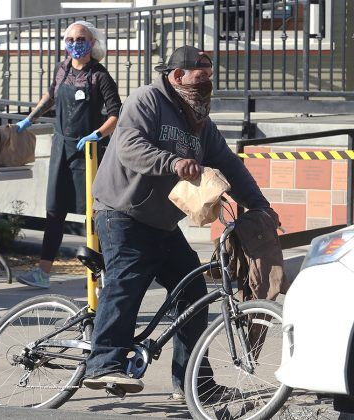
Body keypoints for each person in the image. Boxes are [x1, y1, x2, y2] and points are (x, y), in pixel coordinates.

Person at [81, 46, 278, 398]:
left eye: (210, 81)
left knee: (192, 293)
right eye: (200, 80)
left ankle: (193, 384)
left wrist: (259, 205)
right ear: (177, 76)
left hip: (162, 223)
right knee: (128, 281)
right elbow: (128, 146)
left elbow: (230, 165)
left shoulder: (199, 122)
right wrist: (172, 163)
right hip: (121, 210)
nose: (207, 88)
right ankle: (104, 362)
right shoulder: (147, 99)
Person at [15, 21, 122, 289]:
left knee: (93, 215)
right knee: (54, 210)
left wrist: (97, 135)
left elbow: (116, 115)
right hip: (61, 149)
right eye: (70, 39)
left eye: (81, 38)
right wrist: (28, 120)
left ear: (92, 43)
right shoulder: (62, 69)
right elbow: (50, 96)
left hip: (88, 153)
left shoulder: (100, 76)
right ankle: (43, 272)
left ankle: (102, 276)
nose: (75, 44)